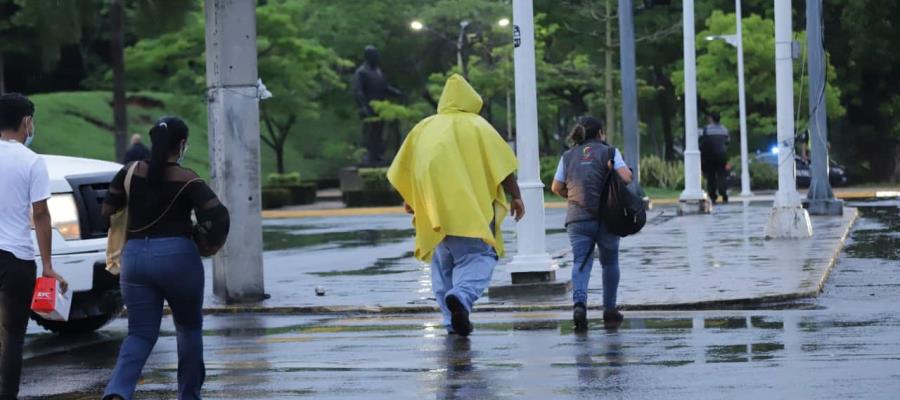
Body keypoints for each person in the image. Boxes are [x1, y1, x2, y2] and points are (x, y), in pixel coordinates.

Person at [101, 117, 230, 400]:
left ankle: (118, 392)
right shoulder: (189, 179)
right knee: (188, 327)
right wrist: (206, 242)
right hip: (178, 258)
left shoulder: (129, 171)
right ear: (181, 144)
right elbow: (218, 216)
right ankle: (188, 395)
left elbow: (107, 209)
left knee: (140, 333)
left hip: (134, 258)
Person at [388, 74, 524, 337]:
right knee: (479, 257)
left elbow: (407, 169)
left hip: (432, 210)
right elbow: (503, 167)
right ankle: (461, 297)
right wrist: (516, 196)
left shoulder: (423, 128)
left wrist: (410, 199)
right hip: (469, 210)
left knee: (443, 266)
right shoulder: (478, 126)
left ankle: (451, 321)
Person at [0, 93, 68, 400]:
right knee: (12, 338)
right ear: (26, 121)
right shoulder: (32, 161)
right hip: (16, 260)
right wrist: (49, 265)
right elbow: (40, 215)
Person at [550, 116, 632, 331]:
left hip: (577, 218)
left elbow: (556, 187)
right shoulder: (610, 152)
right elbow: (626, 177)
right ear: (600, 134)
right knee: (610, 262)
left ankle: (579, 305)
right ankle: (610, 310)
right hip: (608, 217)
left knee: (581, 262)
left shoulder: (567, 156)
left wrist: (572, 197)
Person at [352, 45, 402, 166]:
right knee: (369, 133)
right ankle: (367, 156)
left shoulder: (378, 71)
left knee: (379, 133)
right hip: (368, 108)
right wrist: (363, 107)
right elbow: (358, 91)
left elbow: (384, 87)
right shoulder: (361, 72)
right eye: (375, 55)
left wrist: (397, 93)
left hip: (381, 108)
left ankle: (377, 155)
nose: (377, 57)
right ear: (369, 56)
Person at [700, 112, 730, 204]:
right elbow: (727, 142)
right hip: (722, 155)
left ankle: (713, 196)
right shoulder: (724, 129)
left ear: (711, 119)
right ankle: (723, 193)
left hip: (710, 156)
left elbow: (703, 142)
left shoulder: (706, 129)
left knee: (711, 176)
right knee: (722, 175)